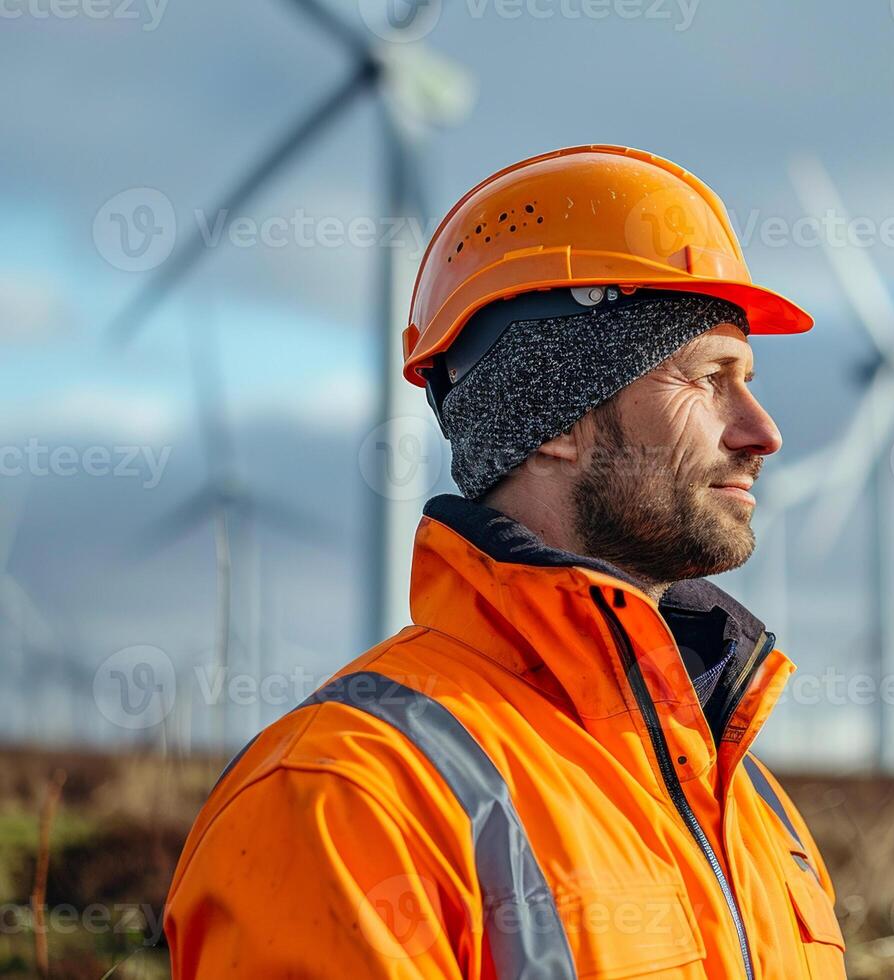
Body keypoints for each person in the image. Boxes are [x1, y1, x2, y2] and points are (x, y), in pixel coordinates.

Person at [164, 146, 847, 979]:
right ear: (554, 416)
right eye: (709, 377)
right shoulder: (348, 797)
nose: (762, 432)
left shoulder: (752, 810)